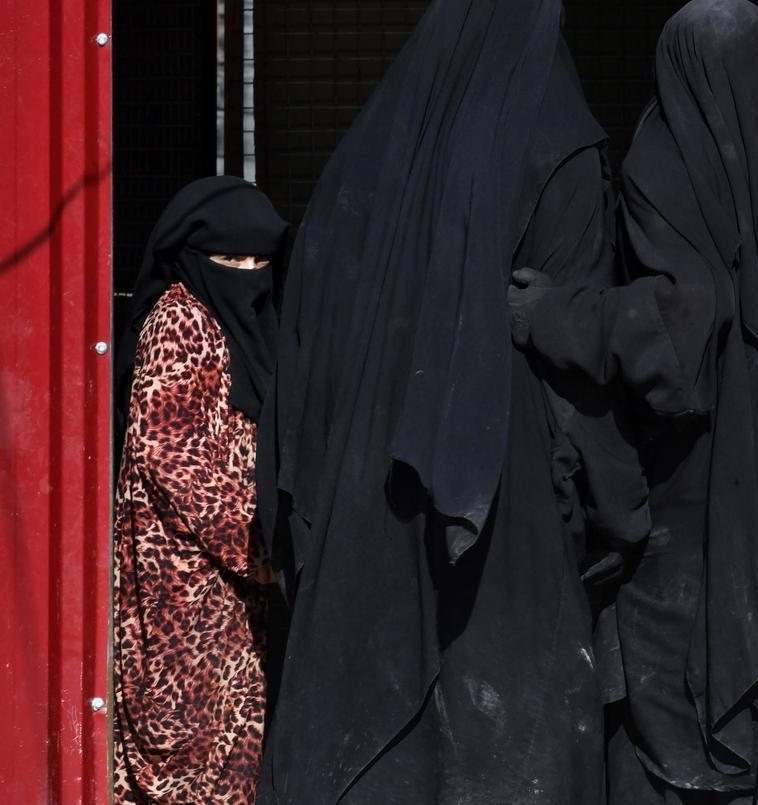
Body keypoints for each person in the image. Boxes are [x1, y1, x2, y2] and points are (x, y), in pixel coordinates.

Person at [507, 1, 758, 802]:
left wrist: (552, 314)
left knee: (678, 737)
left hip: (701, 513)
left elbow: (680, 328)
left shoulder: (667, 160)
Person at [255, 0, 648, 802]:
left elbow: (298, 377)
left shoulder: (361, 161)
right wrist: (622, 519)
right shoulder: (559, 146)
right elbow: (580, 382)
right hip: (512, 545)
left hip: (356, 543)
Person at [111, 176, 288, 804]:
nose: (247, 274)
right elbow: (167, 455)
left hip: (237, 589)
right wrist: (255, 543)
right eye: (230, 261)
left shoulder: (255, 330)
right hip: (181, 585)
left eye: (258, 261)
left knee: (236, 748)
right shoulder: (180, 321)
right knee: (183, 748)